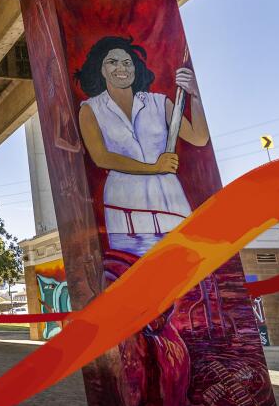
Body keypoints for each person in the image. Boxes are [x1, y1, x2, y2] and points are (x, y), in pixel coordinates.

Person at [75, 35, 209, 257]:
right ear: (100, 68)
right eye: (112, 62)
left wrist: (195, 94)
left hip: (170, 202)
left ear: (135, 68)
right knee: (137, 275)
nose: (121, 68)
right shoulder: (90, 110)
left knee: (184, 271)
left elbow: (199, 138)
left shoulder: (158, 102)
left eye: (127, 62)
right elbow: (101, 157)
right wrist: (154, 168)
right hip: (126, 207)